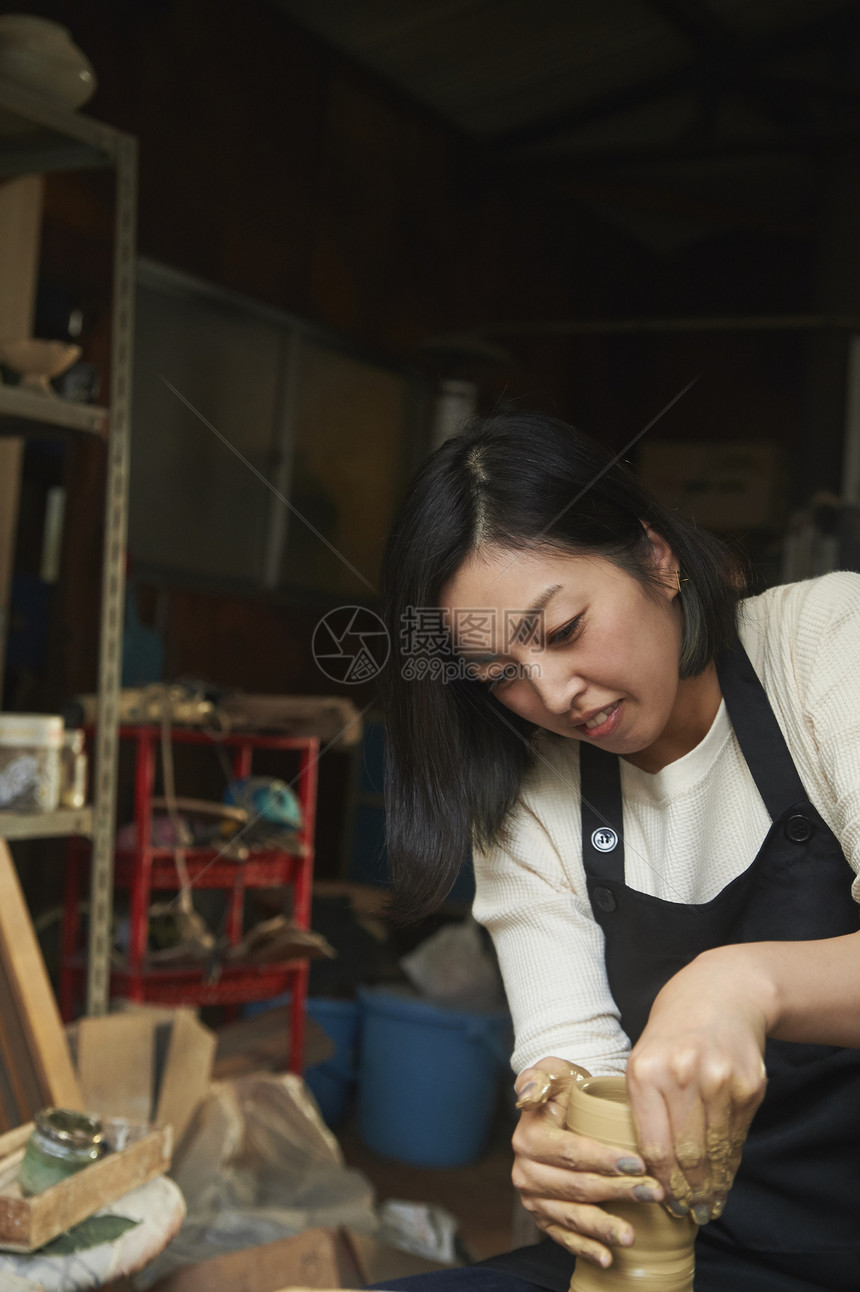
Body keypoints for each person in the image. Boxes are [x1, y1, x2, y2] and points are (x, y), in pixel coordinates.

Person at [376, 411, 860, 1292]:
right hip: (700, 1250)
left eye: (561, 630)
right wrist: (557, 1128)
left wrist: (743, 985)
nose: (554, 692)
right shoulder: (530, 793)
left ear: (657, 558)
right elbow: (574, 1057)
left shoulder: (824, 644)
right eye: (500, 675)